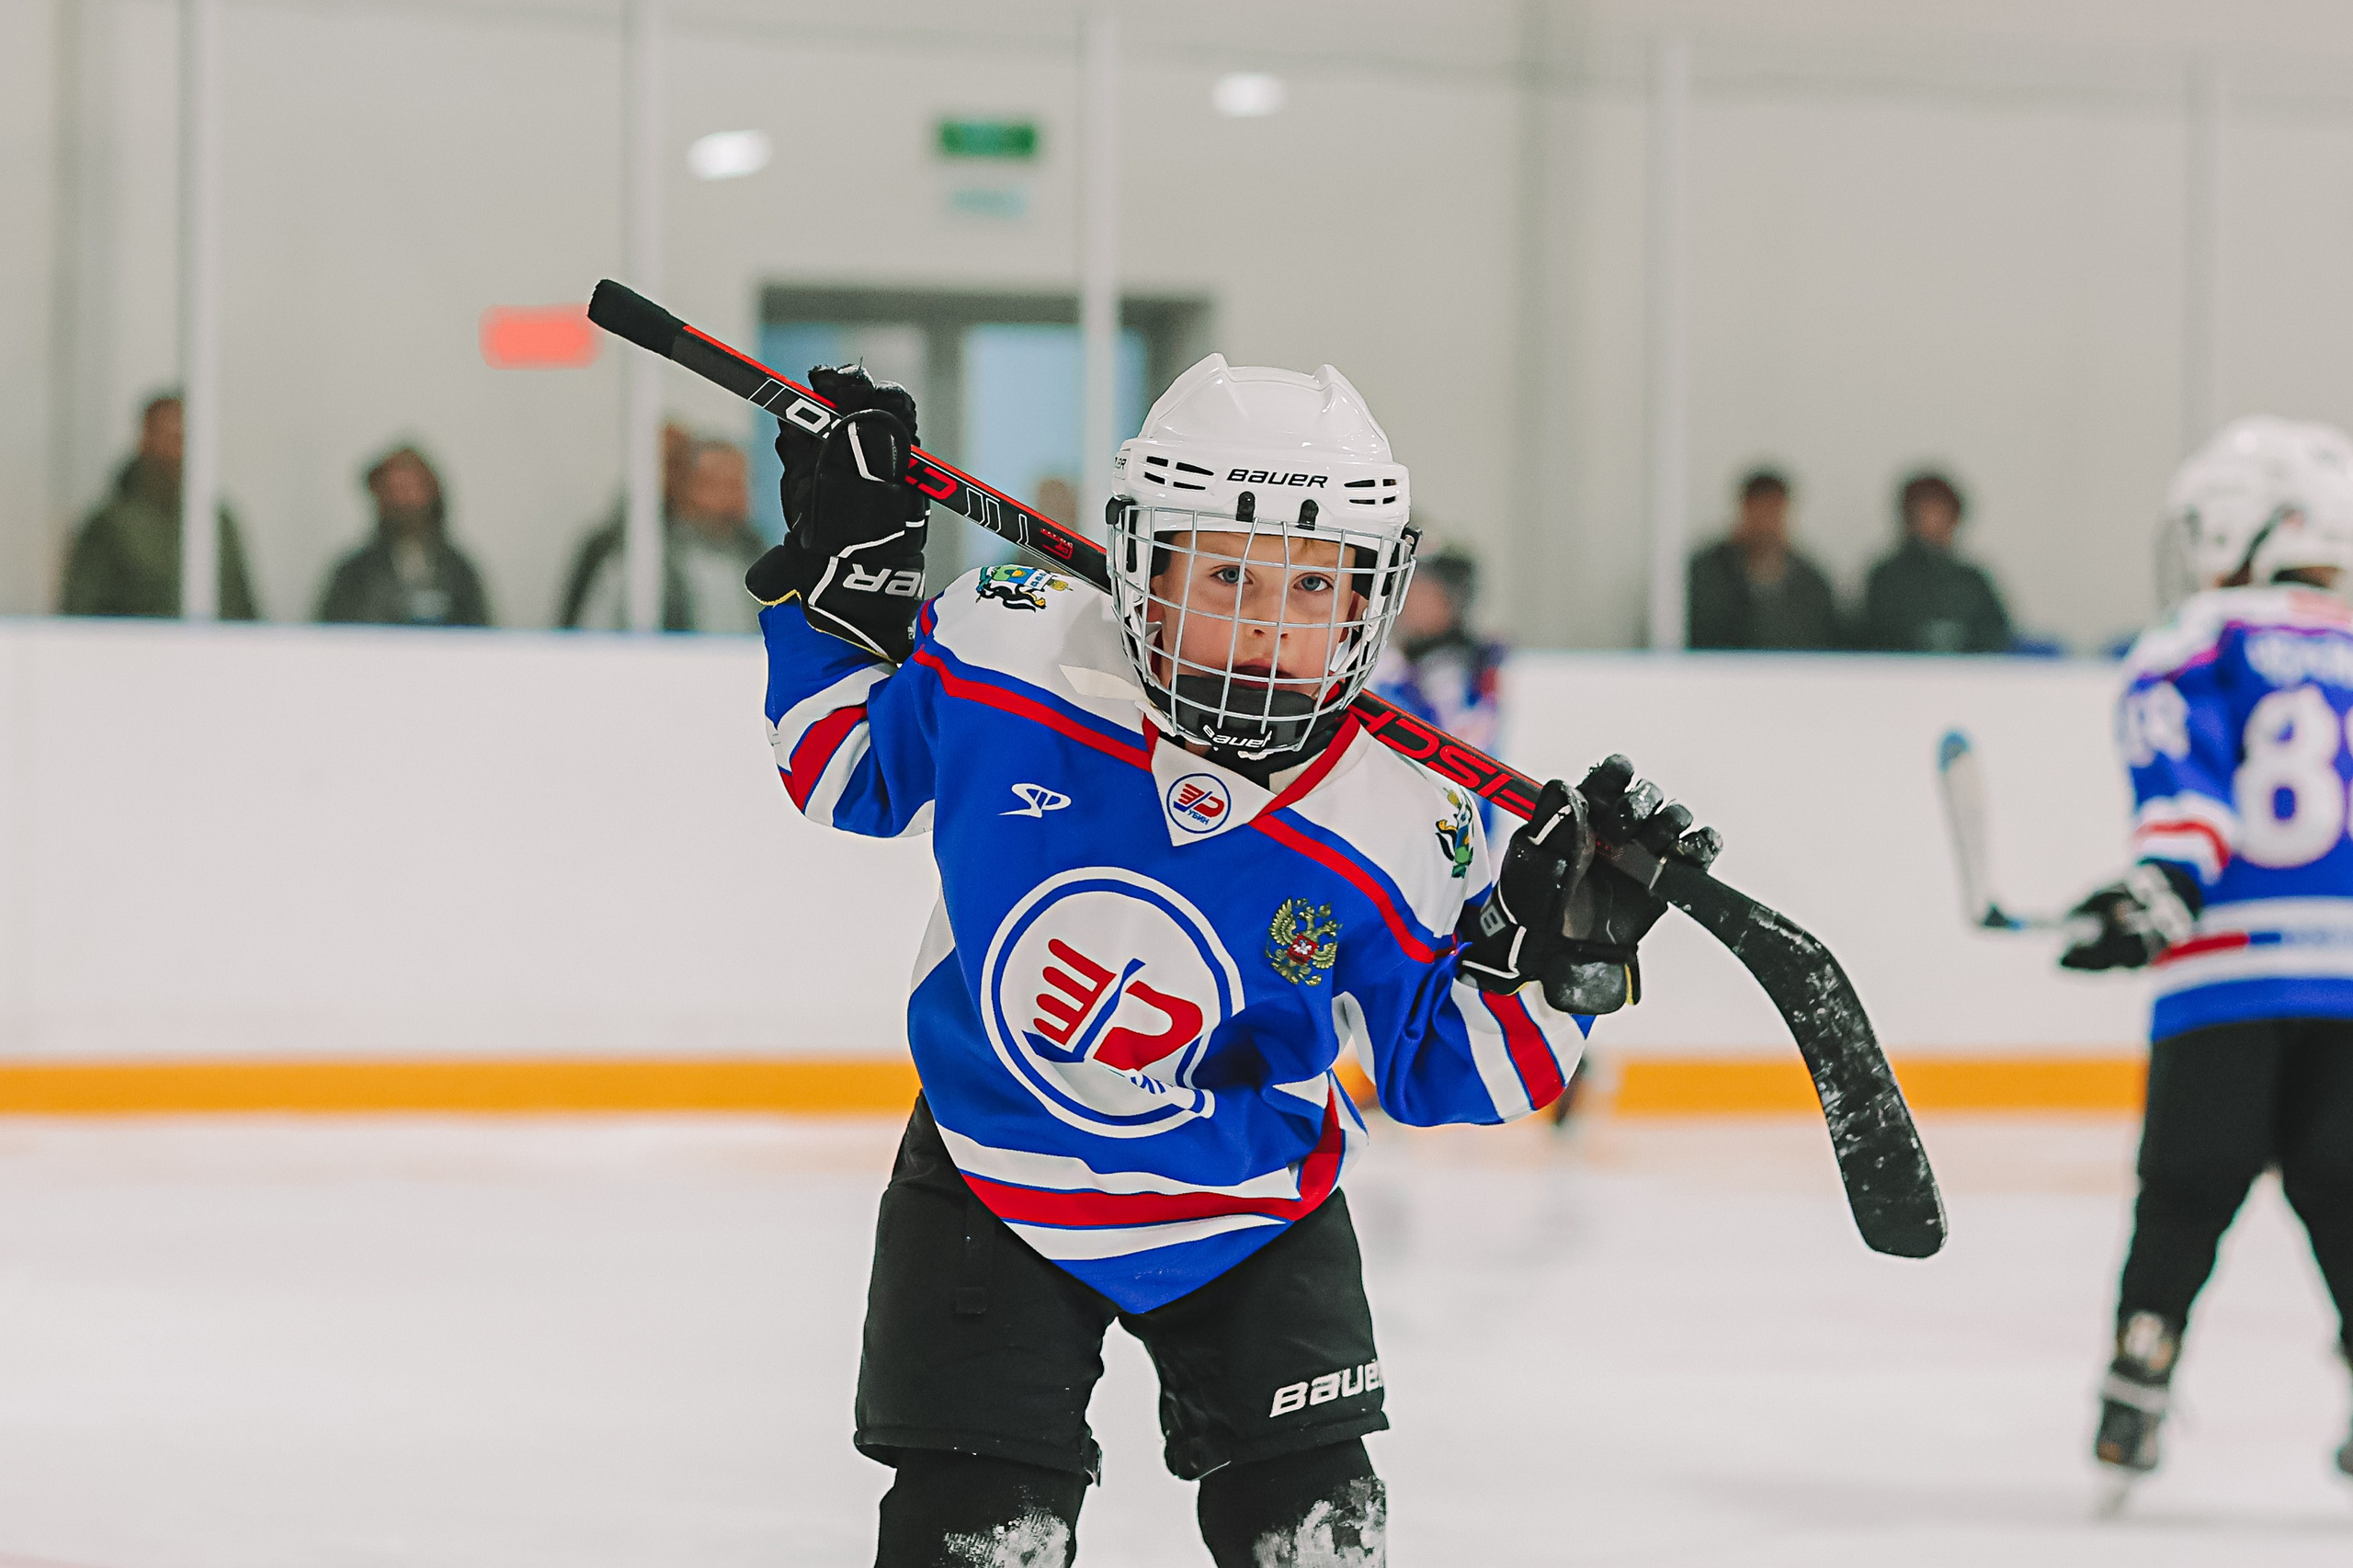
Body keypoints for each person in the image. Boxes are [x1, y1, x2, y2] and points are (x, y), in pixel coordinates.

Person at [750, 355, 1719, 1565]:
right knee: (978, 1537)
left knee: (1317, 1536)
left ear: (1374, 590)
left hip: (1255, 1203)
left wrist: (1562, 954)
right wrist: (843, 580)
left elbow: (1449, 1068)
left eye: (1315, 583)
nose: (1270, 624)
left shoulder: (1404, 806)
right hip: (992, 1178)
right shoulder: (1013, 647)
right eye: (1227, 573)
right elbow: (845, 767)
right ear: (1142, 562)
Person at [2061, 414, 2353, 1489]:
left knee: (2184, 1187)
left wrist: (2155, 889)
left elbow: (2189, 797)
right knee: (2346, 1186)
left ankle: (2135, 1386)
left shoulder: (2198, 638)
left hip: (2227, 974)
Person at [60, 392, 259, 619]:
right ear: (145, 441)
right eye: (168, 437)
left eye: (184, 438)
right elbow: (80, 616)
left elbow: (245, 614)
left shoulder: (218, 523)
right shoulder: (110, 527)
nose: (176, 451)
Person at [568, 437, 765, 633]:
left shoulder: (758, 555)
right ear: (687, 487)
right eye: (722, 485)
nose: (733, 500)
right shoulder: (643, 556)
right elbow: (592, 636)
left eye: (741, 486)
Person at [315, 445, 492, 627]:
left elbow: (480, 640)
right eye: (393, 489)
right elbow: (331, 637)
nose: (403, 500)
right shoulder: (353, 574)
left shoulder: (459, 573)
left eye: (411, 488)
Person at [1855, 470, 2013, 653]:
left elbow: (1995, 634)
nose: (1936, 521)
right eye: (1927, 512)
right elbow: (1874, 636)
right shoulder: (1886, 578)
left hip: (1966, 676)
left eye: (1943, 513)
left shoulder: (1972, 580)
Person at [1685, 467, 1841, 650]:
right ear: (1743, 512)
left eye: (1773, 513)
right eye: (1758, 512)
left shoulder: (1812, 583)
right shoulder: (1704, 574)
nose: (1766, 525)